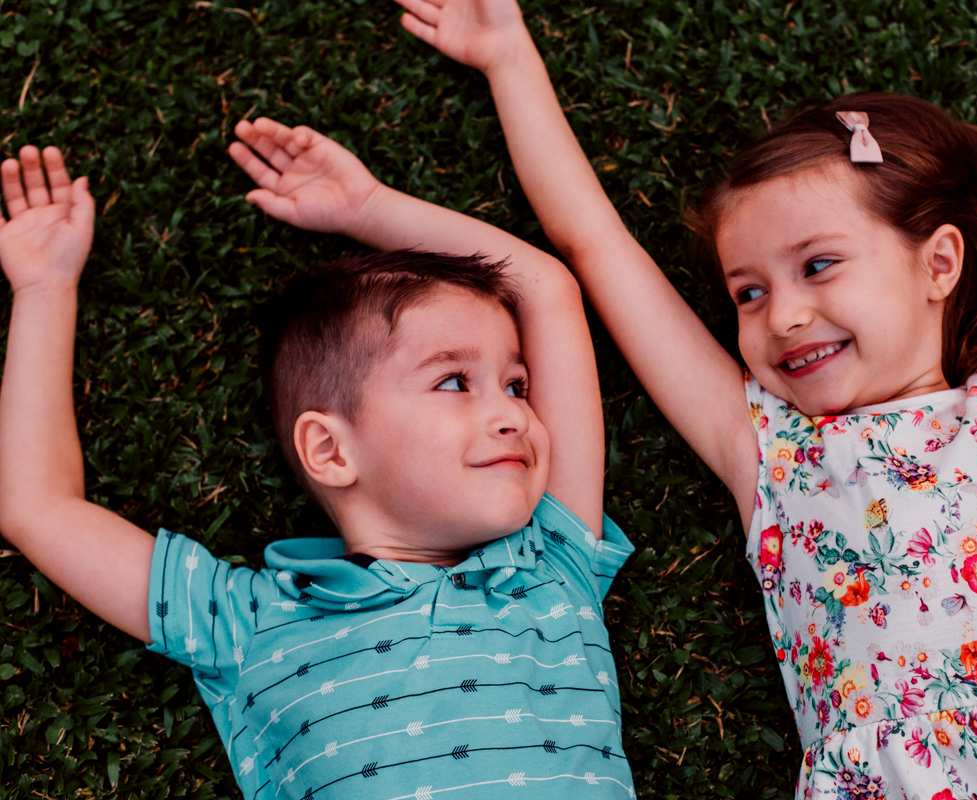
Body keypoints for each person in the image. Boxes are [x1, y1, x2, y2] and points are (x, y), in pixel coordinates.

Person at [390, 0, 977, 797]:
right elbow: (596, 243)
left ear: (938, 264)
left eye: (818, 266)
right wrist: (509, 59)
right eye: (748, 292)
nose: (782, 316)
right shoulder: (767, 449)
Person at [0, 122, 637, 798]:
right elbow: (37, 507)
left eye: (517, 385)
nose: (515, 415)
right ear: (330, 449)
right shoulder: (252, 623)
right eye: (454, 382)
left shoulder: (552, 563)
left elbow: (544, 288)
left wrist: (369, 207)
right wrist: (44, 290)